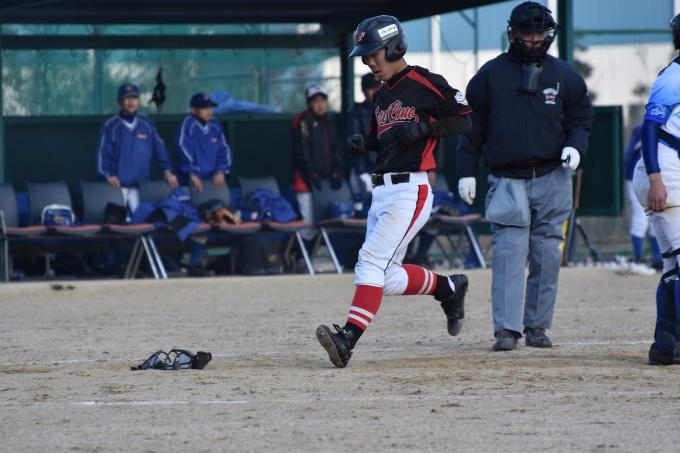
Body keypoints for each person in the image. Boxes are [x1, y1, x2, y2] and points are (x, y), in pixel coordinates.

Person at [316, 15, 473, 368]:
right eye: (366, 57)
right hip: (382, 192)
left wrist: (425, 129)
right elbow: (384, 138)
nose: (370, 62)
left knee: (370, 261)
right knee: (386, 277)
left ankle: (348, 338)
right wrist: (366, 142)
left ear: (396, 47)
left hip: (410, 190)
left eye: (375, 54)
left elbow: (464, 119)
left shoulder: (424, 81)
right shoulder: (382, 94)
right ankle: (449, 288)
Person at [456, 2, 594, 352]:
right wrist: (466, 173)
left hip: (553, 176)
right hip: (507, 179)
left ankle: (537, 326)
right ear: (512, 33)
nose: (535, 39)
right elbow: (471, 129)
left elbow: (581, 118)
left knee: (547, 257)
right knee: (508, 256)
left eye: (540, 32)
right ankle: (506, 329)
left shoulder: (566, 75)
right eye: (528, 32)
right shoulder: (489, 76)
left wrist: (576, 146)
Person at [631, 13, 680, 366]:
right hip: (663, 168)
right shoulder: (675, 75)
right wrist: (656, 178)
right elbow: (649, 127)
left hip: (671, 166)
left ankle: (665, 345)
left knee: (673, 264)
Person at [96, 83, 178, 213]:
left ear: (139, 100)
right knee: (118, 221)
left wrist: (167, 171)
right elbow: (103, 154)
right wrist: (108, 175)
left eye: (134, 98)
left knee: (143, 220)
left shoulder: (146, 123)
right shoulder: (111, 125)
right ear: (119, 101)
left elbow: (159, 149)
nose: (131, 102)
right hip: (117, 186)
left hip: (141, 186)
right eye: (126, 98)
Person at [175, 92, 232, 277]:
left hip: (210, 184)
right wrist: (192, 173)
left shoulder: (215, 125)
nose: (209, 111)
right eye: (204, 108)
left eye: (210, 107)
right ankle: (190, 262)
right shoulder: (188, 124)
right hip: (190, 183)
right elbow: (182, 149)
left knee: (207, 218)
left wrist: (220, 170)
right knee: (195, 220)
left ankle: (196, 263)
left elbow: (223, 151)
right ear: (194, 110)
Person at [291, 83, 344, 243]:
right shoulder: (303, 120)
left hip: (325, 183)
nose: (320, 104)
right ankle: (298, 255)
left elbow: (337, 149)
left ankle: (307, 256)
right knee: (308, 224)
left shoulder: (329, 122)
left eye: (323, 100)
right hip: (306, 180)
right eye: (315, 100)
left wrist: (336, 171)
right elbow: (301, 150)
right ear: (308, 103)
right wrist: (311, 173)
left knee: (323, 222)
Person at [623, 124, 661, 273]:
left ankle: (657, 259)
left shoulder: (671, 126)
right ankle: (638, 258)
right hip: (638, 177)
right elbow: (629, 156)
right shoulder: (643, 128)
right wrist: (628, 175)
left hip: (659, 178)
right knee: (641, 217)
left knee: (657, 217)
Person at [347, 73, 382, 209]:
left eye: (377, 87)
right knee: (363, 209)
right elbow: (354, 145)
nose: (374, 91)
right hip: (363, 171)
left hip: (382, 168)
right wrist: (362, 172)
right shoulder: (358, 113)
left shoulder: (387, 109)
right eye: (370, 88)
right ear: (363, 89)